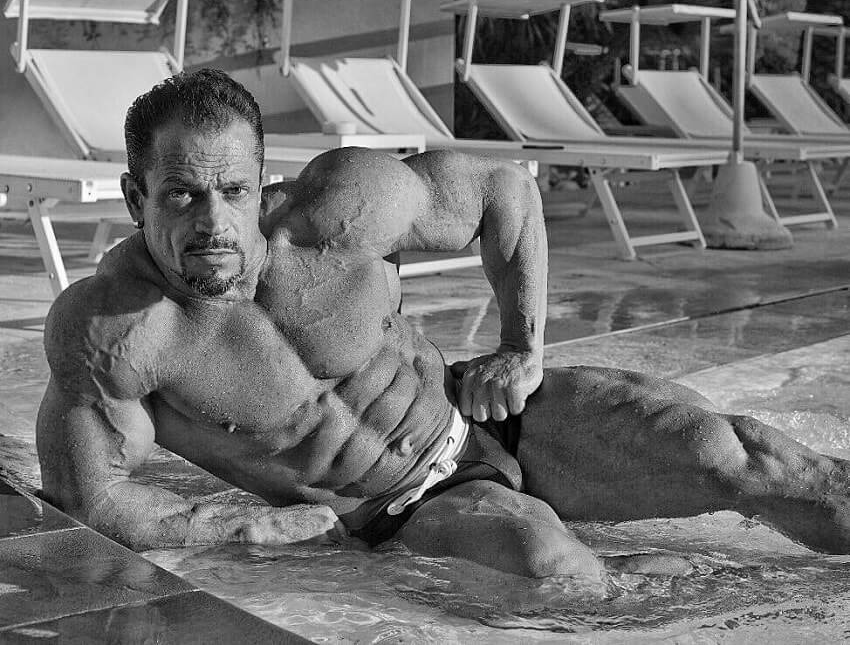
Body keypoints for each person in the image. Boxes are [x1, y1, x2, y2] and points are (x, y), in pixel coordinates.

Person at [37, 69, 850, 583]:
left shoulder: (339, 209)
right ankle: (627, 577)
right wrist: (252, 528)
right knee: (558, 575)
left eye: (235, 190)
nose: (216, 221)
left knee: (747, 456)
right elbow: (92, 498)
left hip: (484, 415)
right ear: (132, 193)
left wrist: (520, 349)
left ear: (263, 179)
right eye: (181, 194)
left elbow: (508, 193)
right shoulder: (115, 330)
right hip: (397, 508)